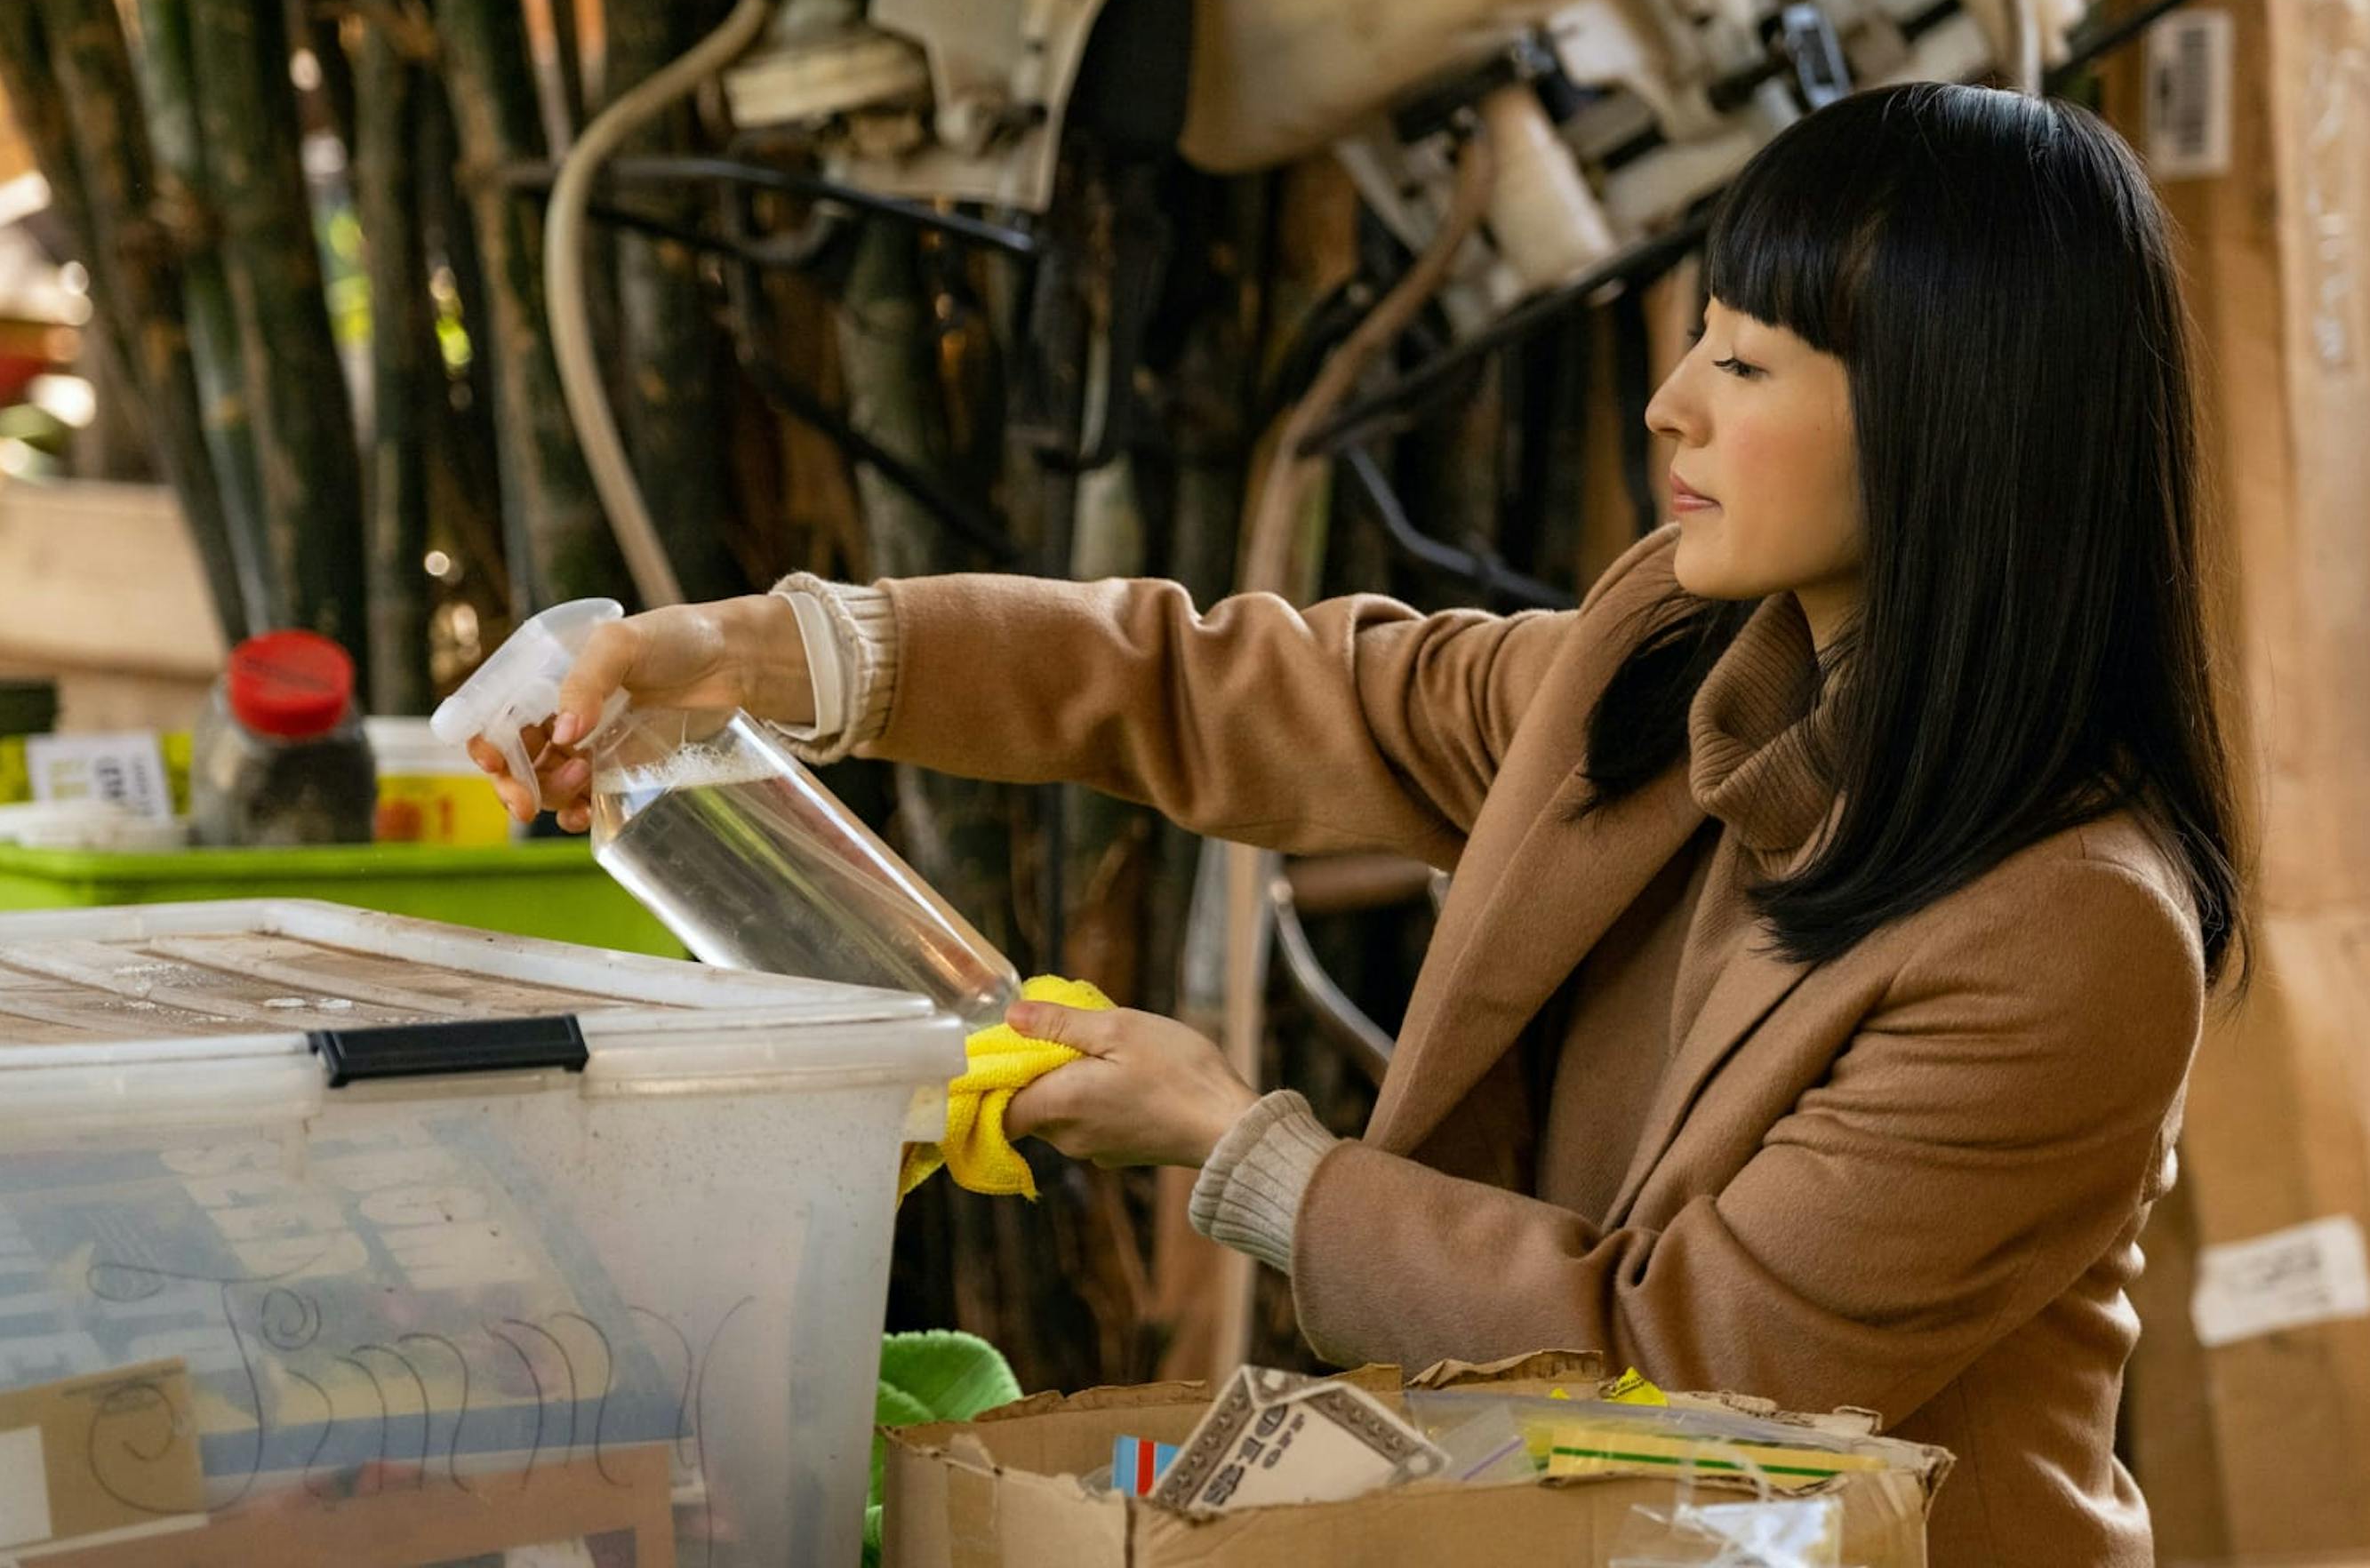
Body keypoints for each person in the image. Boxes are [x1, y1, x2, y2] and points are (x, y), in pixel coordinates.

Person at [475, 82, 2246, 1565]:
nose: (1670, 400)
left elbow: (1703, 1371)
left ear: (1951, 429)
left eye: (1751, 362)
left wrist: (1237, 1154)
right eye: (1694, 334)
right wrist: (775, 656)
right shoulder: (1680, 659)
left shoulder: (2068, 931)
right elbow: (1249, 687)